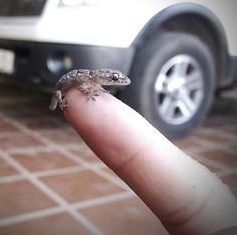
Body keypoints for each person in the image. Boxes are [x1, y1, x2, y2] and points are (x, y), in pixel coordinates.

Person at [62, 86, 237, 235]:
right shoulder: (87, 80)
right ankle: (60, 100)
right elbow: (83, 86)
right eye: (115, 79)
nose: (119, 82)